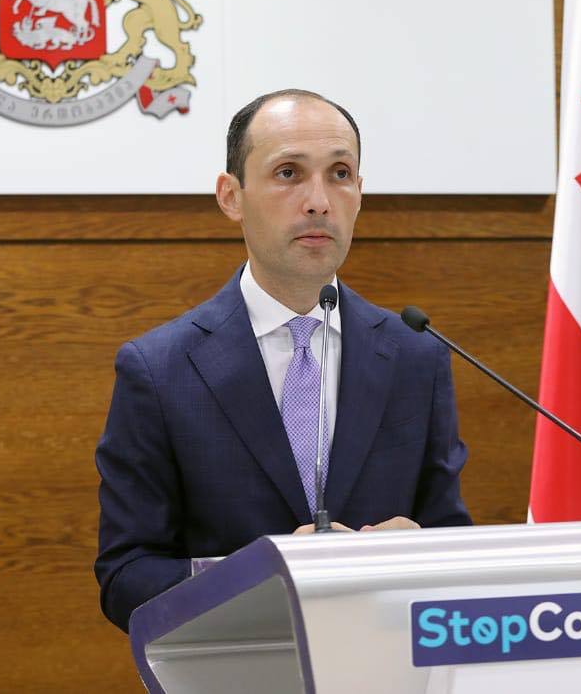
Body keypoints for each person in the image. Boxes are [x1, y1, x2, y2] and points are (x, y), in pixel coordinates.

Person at [94, 89, 472, 632]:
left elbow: (453, 541)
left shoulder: (416, 355)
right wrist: (256, 579)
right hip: (236, 662)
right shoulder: (158, 370)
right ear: (231, 196)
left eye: (340, 174)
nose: (319, 200)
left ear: (360, 194)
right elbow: (126, 577)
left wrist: (419, 553)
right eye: (289, 173)